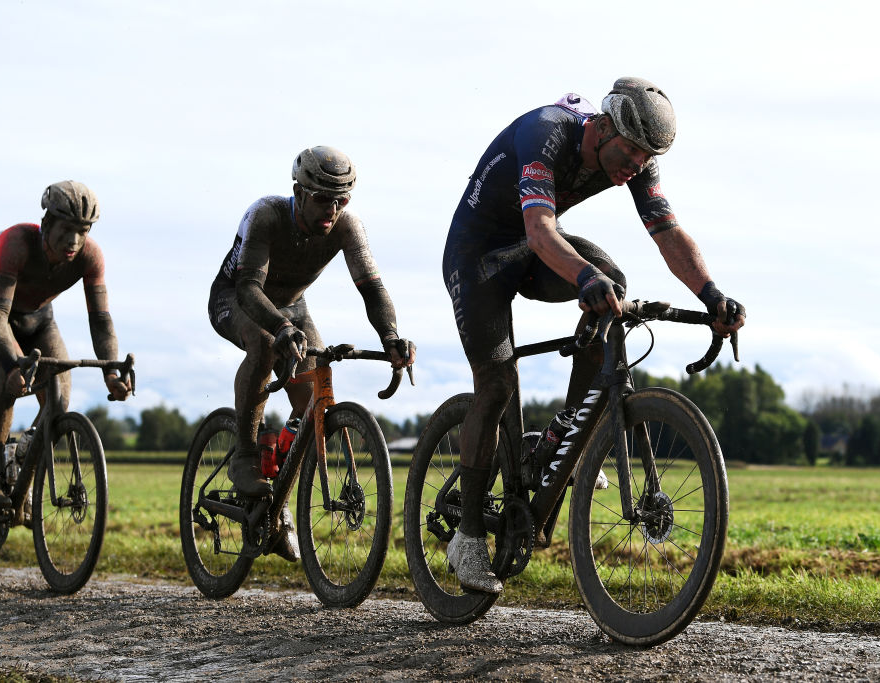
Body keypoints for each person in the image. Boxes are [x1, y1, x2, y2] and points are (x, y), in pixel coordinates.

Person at [442, 78, 746, 593]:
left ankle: (565, 432)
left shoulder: (636, 159)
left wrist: (711, 294)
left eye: (643, 157)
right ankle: (467, 538)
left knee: (614, 287)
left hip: (532, 250)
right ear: (604, 126)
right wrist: (583, 276)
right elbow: (540, 229)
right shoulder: (547, 133)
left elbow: (668, 233)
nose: (633, 164)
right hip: (479, 258)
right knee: (495, 387)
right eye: (627, 151)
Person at [208, 146, 415, 562]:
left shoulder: (347, 227)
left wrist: (391, 335)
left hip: (293, 308)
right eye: (323, 198)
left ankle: (278, 505)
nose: (332, 210)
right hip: (238, 299)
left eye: (341, 201)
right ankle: (247, 454)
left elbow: (372, 289)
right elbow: (249, 287)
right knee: (266, 345)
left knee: (312, 405)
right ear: (298, 192)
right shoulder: (266, 215)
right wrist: (282, 327)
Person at [0, 180, 132, 511]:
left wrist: (111, 372)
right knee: (7, 381)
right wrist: (12, 366)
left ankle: (23, 457)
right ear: (45, 225)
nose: (73, 240)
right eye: (66, 229)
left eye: (82, 231)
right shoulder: (17, 244)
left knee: (60, 399)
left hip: (39, 318)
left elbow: (100, 321)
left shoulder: (90, 256)